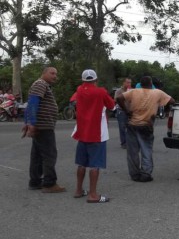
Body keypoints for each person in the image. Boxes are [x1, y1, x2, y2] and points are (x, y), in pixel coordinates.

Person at [117, 76, 175, 182]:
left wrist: (127, 111)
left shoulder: (133, 92)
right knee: (146, 150)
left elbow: (119, 98)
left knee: (132, 152)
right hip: (146, 126)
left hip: (132, 125)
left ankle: (134, 174)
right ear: (151, 83)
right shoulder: (157, 92)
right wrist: (165, 110)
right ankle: (145, 174)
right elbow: (172, 101)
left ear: (141, 83)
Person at [72, 69, 116, 203]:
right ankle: (93, 195)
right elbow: (112, 106)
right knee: (95, 165)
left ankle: (79, 190)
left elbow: (73, 101)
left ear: (83, 80)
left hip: (82, 131)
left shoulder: (79, 90)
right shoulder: (101, 91)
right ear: (95, 80)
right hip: (97, 133)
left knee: (81, 163)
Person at [22, 67, 65, 192]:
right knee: (49, 154)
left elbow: (29, 104)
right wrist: (32, 123)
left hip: (41, 125)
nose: (55, 76)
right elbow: (33, 104)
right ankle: (49, 184)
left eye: (56, 74)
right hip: (43, 126)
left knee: (37, 155)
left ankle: (35, 181)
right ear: (44, 73)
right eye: (52, 73)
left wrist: (27, 122)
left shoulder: (41, 85)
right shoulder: (41, 84)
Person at [114, 77, 132, 149]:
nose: (129, 84)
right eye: (127, 82)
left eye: (130, 82)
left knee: (130, 127)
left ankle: (130, 142)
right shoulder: (118, 91)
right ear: (123, 83)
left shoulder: (131, 91)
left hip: (130, 111)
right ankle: (123, 143)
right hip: (121, 111)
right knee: (122, 127)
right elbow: (116, 100)